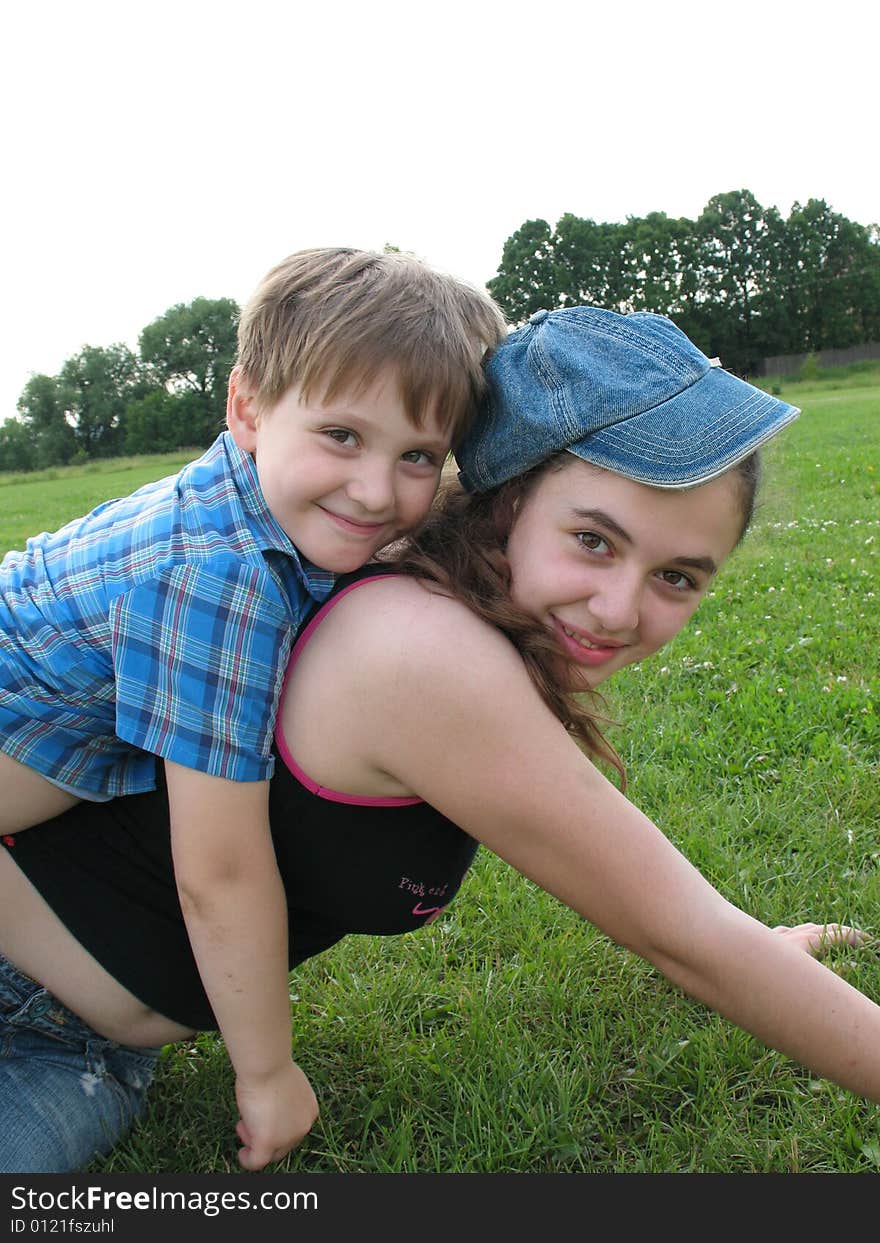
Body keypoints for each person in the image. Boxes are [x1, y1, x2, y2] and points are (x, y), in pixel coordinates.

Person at [0, 306, 872, 1175]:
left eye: (677, 576)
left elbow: (634, 876)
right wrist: (733, 950)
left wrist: (756, 954)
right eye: (592, 540)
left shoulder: (419, 587)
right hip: (27, 1018)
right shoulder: (416, 651)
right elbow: (684, 935)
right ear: (506, 502)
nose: (620, 610)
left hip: (81, 1041)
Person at [0, 247, 506, 1168]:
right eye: (342, 436)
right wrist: (266, 1072)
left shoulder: (269, 519)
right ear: (247, 406)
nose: (376, 490)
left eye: (418, 456)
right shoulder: (220, 578)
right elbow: (219, 868)